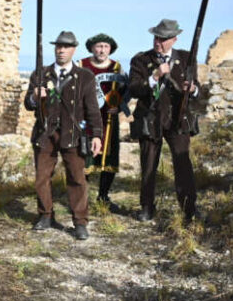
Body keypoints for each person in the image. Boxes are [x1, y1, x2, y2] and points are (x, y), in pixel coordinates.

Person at [25, 31, 103, 240]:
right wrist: (34, 97)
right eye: (59, 46)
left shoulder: (85, 76)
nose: (61, 50)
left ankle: (80, 222)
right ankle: (45, 215)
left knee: (77, 179)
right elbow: (28, 104)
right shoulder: (40, 74)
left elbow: (92, 108)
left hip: (73, 134)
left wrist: (96, 135)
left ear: (74, 50)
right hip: (45, 133)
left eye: (66, 47)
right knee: (42, 177)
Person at [128, 19, 200, 223]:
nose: (158, 42)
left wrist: (192, 89)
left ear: (174, 39)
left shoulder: (186, 58)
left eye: (163, 39)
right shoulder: (141, 60)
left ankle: (189, 208)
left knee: (183, 164)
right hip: (150, 119)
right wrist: (155, 77)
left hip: (178, 119)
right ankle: (147, 207)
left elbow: (197, 88)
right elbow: (134, 89)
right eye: (156, 37)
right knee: (149, 165)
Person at [79, 33, 125, 205]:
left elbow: (125, 91)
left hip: (109, 119)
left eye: (106, 47)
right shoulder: (81, 65)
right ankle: (81, 198)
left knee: (109, 156)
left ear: (110, 49)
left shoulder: (116, 68)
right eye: (99, 46)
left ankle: (103, 196)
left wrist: (119, 106)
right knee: (84, 155)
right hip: (86, 119)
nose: (102, 50)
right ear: (92, 48)